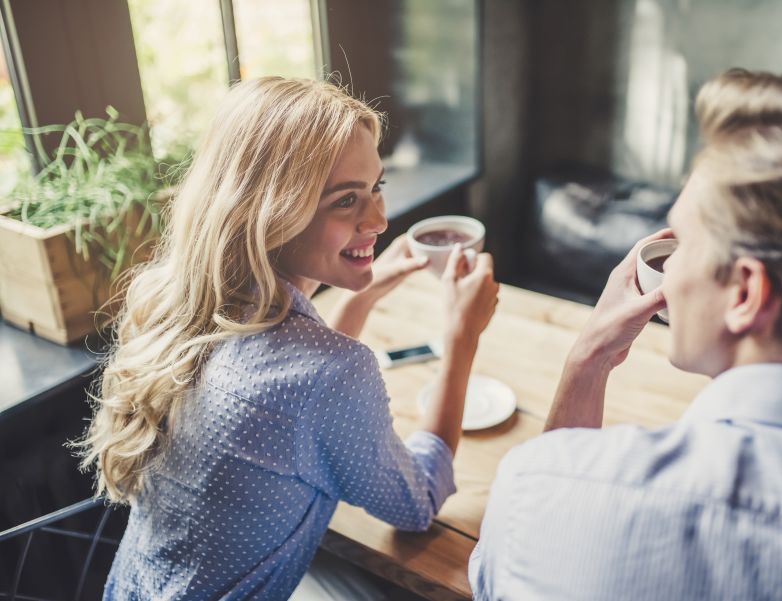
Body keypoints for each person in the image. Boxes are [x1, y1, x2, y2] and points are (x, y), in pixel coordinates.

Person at [470, 69, 782, 600]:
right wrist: (592, 357)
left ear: (745, 293)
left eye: (685, 244)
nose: (669, 271)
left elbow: (500, 573)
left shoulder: (544, 491)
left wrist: (584, 358)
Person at [78, 77, 499, 599]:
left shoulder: (177, 305)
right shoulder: (328, 373)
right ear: (270, 212)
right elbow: (417, 503)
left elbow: (289, 400)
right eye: (346, 201)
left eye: (377, 188)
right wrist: (461, 339)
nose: (379, 219)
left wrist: (359, 299)